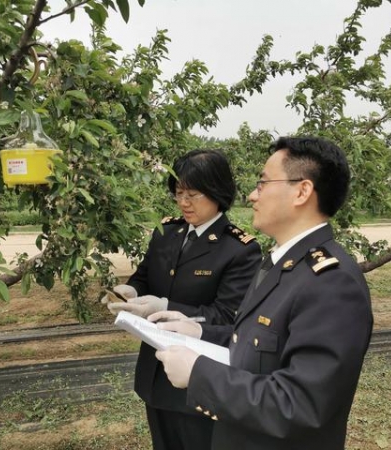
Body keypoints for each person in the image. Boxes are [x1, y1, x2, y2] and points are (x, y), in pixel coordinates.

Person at [151, 136, 374, 450]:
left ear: (302, 191)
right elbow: (258, 344)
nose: (253, 195)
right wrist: (199, 331)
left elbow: (300, 403)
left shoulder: (332, 283)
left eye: (263, 183)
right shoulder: (283, 263)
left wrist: (199, 374)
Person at [102, 148, 262, 450]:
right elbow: (144, 276)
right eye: (178, 193)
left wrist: (166, 308)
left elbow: (227, 317)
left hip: (198, 377)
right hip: (155, 373)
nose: (184, 203)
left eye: (193, 194)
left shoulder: (239, 250)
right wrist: (130, 291)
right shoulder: (167, 232)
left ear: (218, 191)